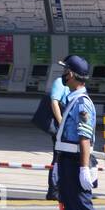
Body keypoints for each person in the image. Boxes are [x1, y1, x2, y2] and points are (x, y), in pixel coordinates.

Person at [54, 55, 105, 210]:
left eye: (65, 71)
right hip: (67, 162)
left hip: (76, 164)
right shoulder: (72, 99)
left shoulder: (82, 103)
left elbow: (84, 139)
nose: (63, 74)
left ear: (72, 74)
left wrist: (84, 169)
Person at [45, 61, 71, 201]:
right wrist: (61, 123)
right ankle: (53, 190)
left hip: (73, 126)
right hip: (62, 127)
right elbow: (54, 102)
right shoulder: (59, 82)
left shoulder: (75, 85)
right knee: (58, 157)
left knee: (70, 158)